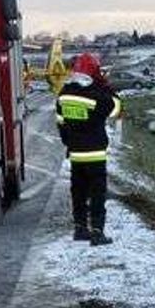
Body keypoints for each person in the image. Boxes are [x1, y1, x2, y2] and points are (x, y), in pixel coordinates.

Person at [55, 53, 122, 245]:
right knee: (97, 194)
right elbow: (116, 109)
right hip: (95, 154)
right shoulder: (96, 94)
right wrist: (107, 88)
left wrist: (69, 142)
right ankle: (97, 232)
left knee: (78, 192)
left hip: (76, 154)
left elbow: (60, 122)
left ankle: (80, 228)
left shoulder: (65, 93)